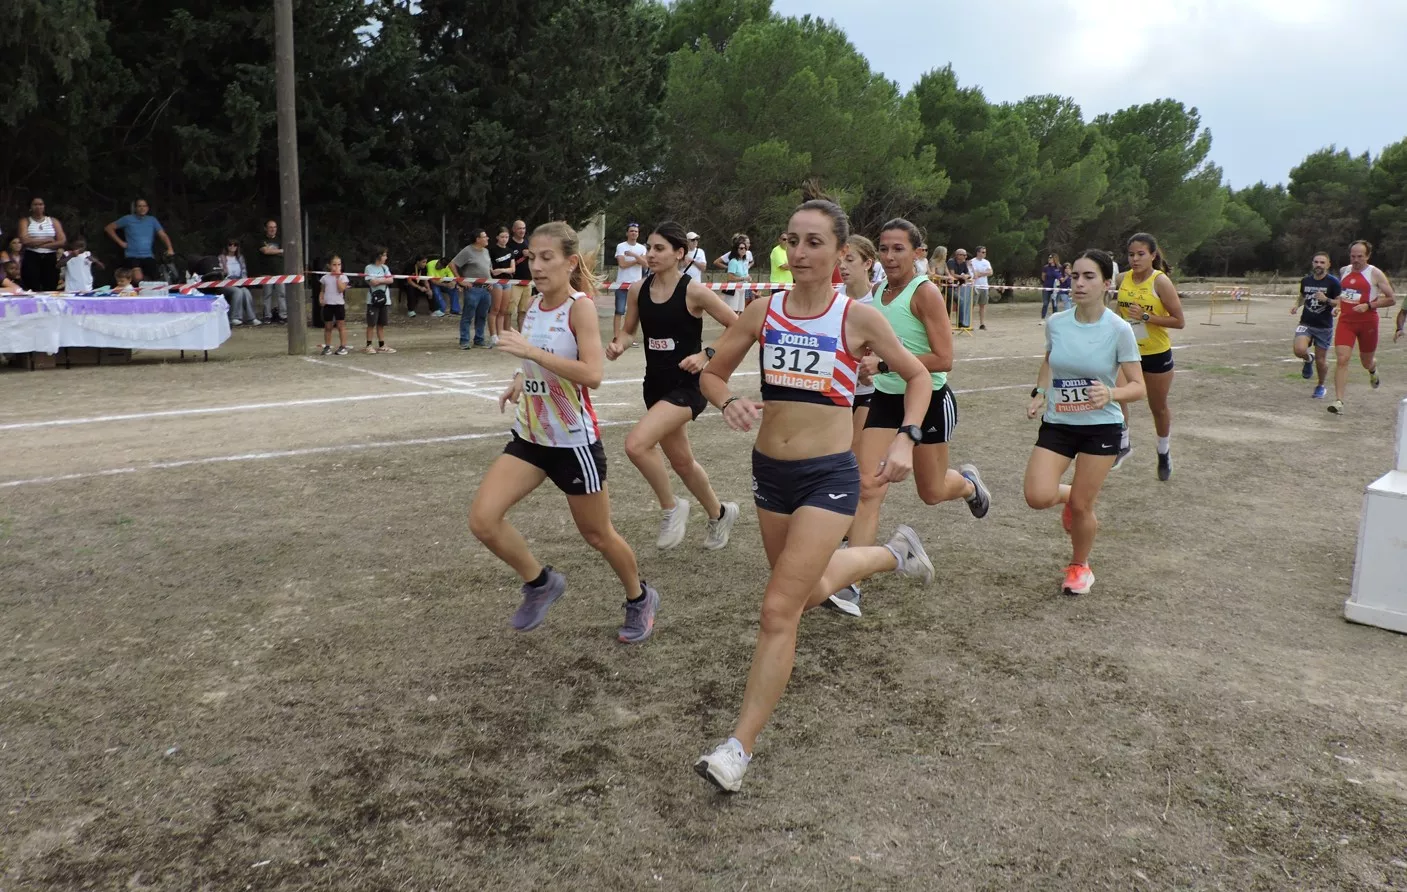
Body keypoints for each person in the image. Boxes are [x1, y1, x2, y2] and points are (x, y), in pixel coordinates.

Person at [692, 186, 938, 793]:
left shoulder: (858, 318)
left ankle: (737, 748)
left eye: (814, 242)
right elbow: (713, 375)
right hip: (769, 474)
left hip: (828, 476)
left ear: (839, 252)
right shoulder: (763, 310)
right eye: (792, 241)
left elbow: (918, 376)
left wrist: (906, 439)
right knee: (801, 595)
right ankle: (892, 554)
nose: (800, 252)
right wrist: (728, 401)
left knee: (777, 609)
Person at [469, 221, 661, 642]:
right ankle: (541, 583)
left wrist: (530, 354)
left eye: (546, 258)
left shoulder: (580, 307)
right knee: (483, 520)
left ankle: (639, 596)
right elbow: (538, 360)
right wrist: (520, 379)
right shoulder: (535, 306)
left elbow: (593, 374)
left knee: (597, 535)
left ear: (570, 262)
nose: (536, 266)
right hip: (531, 438)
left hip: (573, 443)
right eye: (532, 257)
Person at [830, 219, 991, 618]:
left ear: (918, 253)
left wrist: (885, 363)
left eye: (898, 249)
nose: (889, 256)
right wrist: (868, 365)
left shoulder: (925, 293)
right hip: (886, 400)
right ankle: (851, 581)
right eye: (884, 248)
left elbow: (944, 358)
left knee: (931, 492)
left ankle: (969, 485)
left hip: (930, 399)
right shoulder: (877, 293)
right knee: (868, 486)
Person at [606, 221, 741, 550]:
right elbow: (629, 330)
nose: (651, 254)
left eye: (659, 248)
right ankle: (720, 514)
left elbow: (738, 326)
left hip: (688, 386)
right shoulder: (638, 289)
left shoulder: (693, 290)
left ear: (679, 253)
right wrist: (619, 344)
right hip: (655, 385)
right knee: (682, 463)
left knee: (636, 445)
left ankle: (671, 506)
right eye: (649, 248)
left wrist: (706, 355)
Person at [1023, 249, 1146, 596]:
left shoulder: (1119, 329)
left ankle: (1080, 566)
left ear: (1107, 284)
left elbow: (1138, 387)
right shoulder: (1057, 323)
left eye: (1089, 276)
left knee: (1082, 506)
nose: (1078, 283)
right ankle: (1070, 497)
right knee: (1036, 496)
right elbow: (1049, 361)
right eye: (1075, 276)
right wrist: (1039, 392)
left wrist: (1111, 393)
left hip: (1101, 428)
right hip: (1059, 423)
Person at [822, 233, 880, 618]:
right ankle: (844, 539)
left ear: (868, 263)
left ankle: (852, 579)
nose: (842, 267)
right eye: (840, 260)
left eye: (850, 260)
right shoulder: (834, 301)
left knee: (860, 478)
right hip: (835, 398)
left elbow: (899, 358)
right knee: (834, 468)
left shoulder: (876, 305)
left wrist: (876, 369)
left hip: (870, 398)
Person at [1113, 232, 1185, 480]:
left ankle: (1163, 452)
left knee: (1158, 407)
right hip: (1127, 352)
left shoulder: (1160, 282)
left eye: (1141, 254)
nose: (1135, 259)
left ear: (1153, 255)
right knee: (1116, 396)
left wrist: (1146, 317)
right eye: (1131, 254)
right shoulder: (1122, 278)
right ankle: (1123, 443)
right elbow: (1118, 311)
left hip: (1155, 352)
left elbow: (1179, 321)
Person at [1329, 240, 1396, 414]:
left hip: (1368, 323)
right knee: (1342, 359)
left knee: (1366, 361)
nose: (1356, 260)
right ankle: (1339, 401)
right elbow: (1344, 295)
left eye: (1360, 256)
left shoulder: (1375, 273)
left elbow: (1391, 299)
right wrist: (1338, 307)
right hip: (1346, 322)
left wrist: (1369, 305)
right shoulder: (1344, 271)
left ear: (1368, 256)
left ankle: (1373, 369)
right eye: (1353, 256)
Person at [1290, 251, 1340, 399]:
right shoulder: (1306, 280)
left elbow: (1339, 302)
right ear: (1312, 263)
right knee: (1299, 349)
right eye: (1316, 262)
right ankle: (1307, 358)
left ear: (1328, 265)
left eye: (1322, 262)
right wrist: (1296, 305)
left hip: (1323, 326)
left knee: (1321, 361)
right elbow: (1302, 296)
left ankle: (1320, 386)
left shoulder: (1333, 282)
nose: (1319, 265)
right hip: (1306, 322)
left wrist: (1326, 300)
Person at [104, 199, 173, 282]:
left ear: (147, 208)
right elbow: (109, 228)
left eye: (144, 206)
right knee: (138, 277)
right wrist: (120, 242)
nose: (142, 208)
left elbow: (163, 235)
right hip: (132, 255)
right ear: (135, 208)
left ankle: (146, 286)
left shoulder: (152, 220)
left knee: (156, 277)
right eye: (139, 206)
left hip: (148, 255)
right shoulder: (127, 219)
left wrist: (170, 248)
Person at [452, 229, 494, 349]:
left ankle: (479, 340)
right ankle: (464, 341)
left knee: (482, 316)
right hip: (473, 288)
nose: (487, 238)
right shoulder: (468, 250)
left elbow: (487, 269)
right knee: (468, 315)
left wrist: (490, 281)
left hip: (486, 289)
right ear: (477, 239)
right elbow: (452, 264)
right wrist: (460, 280)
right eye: (484, 236)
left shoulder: (486, 251)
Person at [17, 197, 65, 293]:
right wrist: (48, 240)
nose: (38, 207)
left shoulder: (53, 221)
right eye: (35, 204)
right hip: (32, 256)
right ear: (30, 207)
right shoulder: (25, 221)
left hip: (50, 256)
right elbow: (24, 240)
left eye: (41, 204)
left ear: (44, 206)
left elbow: (62, 241)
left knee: (50, 285)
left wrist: (38, 244)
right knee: (32, 286)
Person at [613, 222, 648, 339]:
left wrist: (633, 255)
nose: (634, 233)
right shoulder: (621, 246)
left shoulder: (641, 248)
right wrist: (638, 260)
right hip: (622, 283)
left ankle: (630, 337)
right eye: (632, 231)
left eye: (636, 231)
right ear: (627, 233)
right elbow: (622, 264)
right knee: (619, 310)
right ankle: (616, 336)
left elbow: (645, 264)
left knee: (635, 312)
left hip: (636, 285)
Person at [218, 238, 260, 326]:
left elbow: (244, 272)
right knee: (238, 292)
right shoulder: (221, 257)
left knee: (246, 292)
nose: (232, 246)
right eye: (230, 244)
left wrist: (242, 281)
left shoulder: (240, 258)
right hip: (226, 282)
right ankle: (234, 317)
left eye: (235, 245)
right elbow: (220, 273)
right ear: (226, 246)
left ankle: (251, 318)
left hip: (239, 282)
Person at [363, 248, 396, 354]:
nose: (386, 257)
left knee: (381, 323)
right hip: (373, 300)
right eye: (384, 255)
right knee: (371, 323)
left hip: (384, 299)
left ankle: (382, 345)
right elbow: (372, 282)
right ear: (378, 256)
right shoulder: (368, 268)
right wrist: (383, 280)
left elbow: (391, 280)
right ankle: (369, 345)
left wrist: (380, 280)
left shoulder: (385, 267)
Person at [256, 219, 287, 325]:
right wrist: (279, 251)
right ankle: (267, 316)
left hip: (279, 272)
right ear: (266, 228)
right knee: (267, 295)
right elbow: (265, 251)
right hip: (266, 272)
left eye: (274, 227)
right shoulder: (261, 239)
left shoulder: (280, 239)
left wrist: (272, 251)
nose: (273, 229)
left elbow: (286, 251)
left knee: (282, 294)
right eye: (270, 227)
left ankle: (283, 316)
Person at [318, 256, 350, 355]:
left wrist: (337, 278)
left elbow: (341, 289)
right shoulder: (325, 278)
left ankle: (343, 346)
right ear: (329, 266)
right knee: (328, 326)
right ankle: (327, 347)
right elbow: (322, 290)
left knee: (341, 325)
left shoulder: (343, 277)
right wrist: (321, 299)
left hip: (339, 304)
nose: (337, 267)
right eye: (334, 265)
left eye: (339, 264)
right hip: (328, 304)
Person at [489, 227, 516, 341]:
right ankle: (493, 335)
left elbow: (513, 269)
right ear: (497, 237)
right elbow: (490, 267)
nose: (504, 239)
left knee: (503, 310)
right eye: (502, 237)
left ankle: (501, 334)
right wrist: (493, 273)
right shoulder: (491, 250)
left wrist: (502, 270)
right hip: (496, 281)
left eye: (506, 237)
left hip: (507, 281)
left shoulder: (510, 251)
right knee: (495, 308)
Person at [507, 219, 533, 331]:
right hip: (514, 282)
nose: (522, 231)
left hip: (528, 282)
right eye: (519, 228)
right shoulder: (509, 244)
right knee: (509, 311)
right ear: (513, 230)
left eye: (523, 228)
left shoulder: (527, 241)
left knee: (523, 311)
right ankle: (507, 333)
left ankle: (522, 334)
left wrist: (530, 254)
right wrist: (519, 257)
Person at [947, 247, 973, 329]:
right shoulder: (951, 262)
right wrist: (962, 277)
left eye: (965, 255)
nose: (965, 257)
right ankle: (960, 322)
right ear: (958, 255)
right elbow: (952, 274)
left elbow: (968, 274)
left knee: (949, 305)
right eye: (964, 255)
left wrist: (966, 276)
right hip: (948, 286)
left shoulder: (963, 263)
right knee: (959, 301)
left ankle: (957, 322)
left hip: (955, 286)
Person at [970, 245, 994, 329]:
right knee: (972, 305)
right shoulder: (972, 262)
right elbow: (973, 274)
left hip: (984, 286)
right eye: (983, 252)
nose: (984, 253)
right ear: (978, 252)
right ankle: (969, 323)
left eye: (985, 252)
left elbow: (990, 272)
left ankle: (982, 323)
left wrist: (980, 273)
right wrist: (984, 273)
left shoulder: (986, 262)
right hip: (975, 286)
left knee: (982, 305)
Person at [1040, 253, 1062, 321]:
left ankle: (1055, 319)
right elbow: (1043, 277)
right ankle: (1043, 318)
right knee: (1045, 303)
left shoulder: (1059, 267)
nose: (1049, 259)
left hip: (1055, 288)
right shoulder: (1046, 267)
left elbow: (1061, 277)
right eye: (1049, 258)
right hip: (1046, 288)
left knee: (1054, 304)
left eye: (1051, 258)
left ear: (1055, 259)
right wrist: (1047, 283)